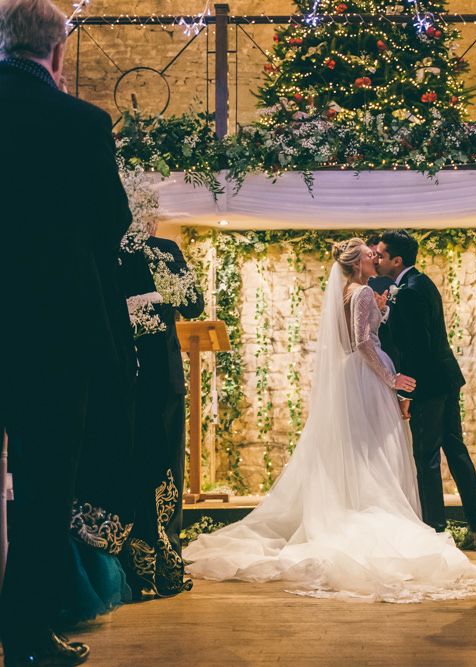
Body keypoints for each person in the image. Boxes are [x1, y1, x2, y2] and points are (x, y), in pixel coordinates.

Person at [182, 239, 476, 602]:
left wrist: (381, 311)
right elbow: (364, 342)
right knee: (376, 451)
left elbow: (361, 333)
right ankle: (372, 511)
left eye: (379, 253)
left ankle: (355, 503)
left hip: (353, 378)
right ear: (358, 264)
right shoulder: (364, 293)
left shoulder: (350, 292)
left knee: (360, 449)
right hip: (368, 378)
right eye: (371, 254)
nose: (376, 257)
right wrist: (392, 380)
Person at [0, 0, 137, 663]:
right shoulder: (80, 121)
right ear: (58, 52)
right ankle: (26, 636)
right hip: (51, 333)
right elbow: (110, 220)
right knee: (44, 486)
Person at [375, 231, 476, 545]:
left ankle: (435, 530)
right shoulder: (421, 282)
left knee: (426, 457)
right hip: (446, 377)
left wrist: (407, 392)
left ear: (396, 260)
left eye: (382, 255)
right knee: (456, 450)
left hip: (427, 384)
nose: (378, 259)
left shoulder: (408, 292)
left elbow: (416, 348)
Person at [122, 230, 204, 600]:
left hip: (123, 377)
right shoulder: (164, 250)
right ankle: (165, 569)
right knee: (166, 466)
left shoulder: (107, 248)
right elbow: (195, 305)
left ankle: (137, 574)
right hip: (161, 377)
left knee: (132, 466)